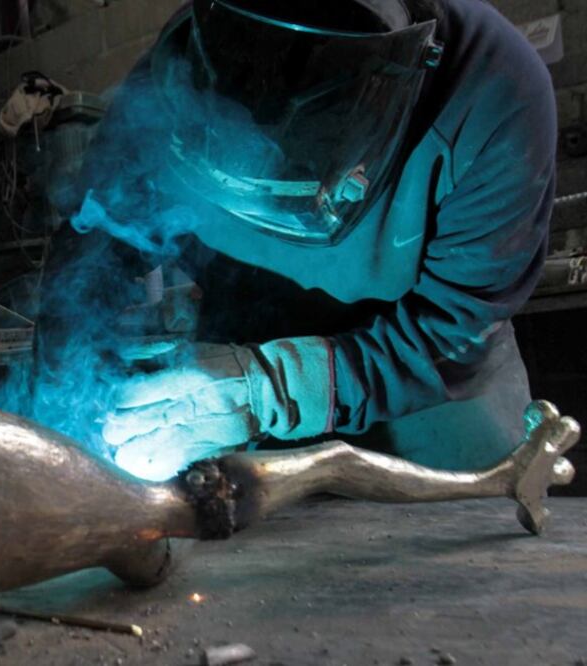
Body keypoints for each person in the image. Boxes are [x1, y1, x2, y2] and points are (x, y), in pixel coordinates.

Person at [36, 0, 557, 481]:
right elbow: (94, 242)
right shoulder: (177, 77)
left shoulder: (496, 92)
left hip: (428, 391)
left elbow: (450, 333)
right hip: (225, 387)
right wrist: (72, 390)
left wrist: (273, 391)